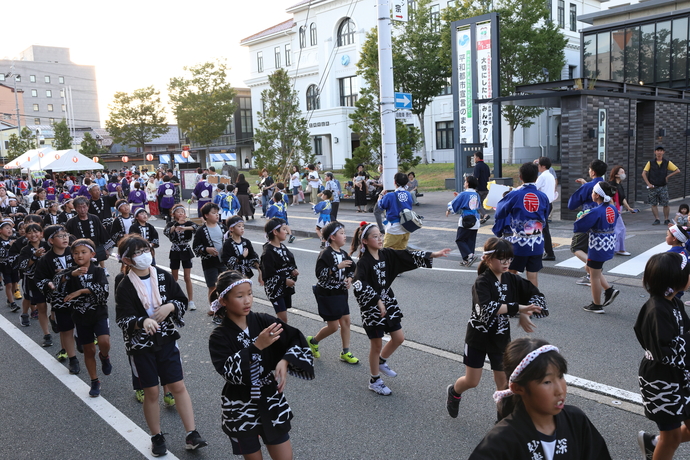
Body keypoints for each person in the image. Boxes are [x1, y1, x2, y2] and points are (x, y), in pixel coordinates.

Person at [115, 235, 207, 456]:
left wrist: (170, 307)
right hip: (141, 347)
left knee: (178, 386)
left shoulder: (163, 276)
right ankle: (156, 436)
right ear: (126, 260)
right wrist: (141, 321)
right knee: (152, 391)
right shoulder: (124, 284)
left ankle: (192, 433)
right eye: (136, 253)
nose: (143, 255)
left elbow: (180, 300)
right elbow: (122, 318)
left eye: (145, 249)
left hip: (166, 340)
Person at [208, 270, 314, 460]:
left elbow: (295, 338)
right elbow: (229, 371)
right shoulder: (219, 336)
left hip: (270, 397)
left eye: (250, 294)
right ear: (223, 300)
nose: (247, 300)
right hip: (240, 405)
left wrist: (285, 360)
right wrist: (257, 347)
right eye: (240, 296)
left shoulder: (263, 320)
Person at [446, 237, 546, 418]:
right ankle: (454, 392)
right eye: (502, 259)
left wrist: (526, 312)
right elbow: (488, 307)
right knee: (472, 381)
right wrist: (520, 308)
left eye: (509, 259)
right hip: (478, 338)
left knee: (504, 385)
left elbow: (534, 293)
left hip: (500, 339)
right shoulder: (482, 282)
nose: (507, 263)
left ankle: (502, 423)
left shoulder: (511, 279)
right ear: (488, 259)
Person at [468, 338, 611, 459]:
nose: (560, 390)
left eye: (561, 376)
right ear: (518, 388)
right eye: (547, 382)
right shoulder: (501, 441)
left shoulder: (576, 421)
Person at [351, 222, 450, 395]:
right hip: (371, 308)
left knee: (399, 338)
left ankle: (381, 361)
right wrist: (376, 300)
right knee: (376, 345)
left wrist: (433, 254)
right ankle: (374, 380)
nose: (380, 239)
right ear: (365, 241)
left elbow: (406, 256)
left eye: (380, 235)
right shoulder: (363, 263)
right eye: (375, 236)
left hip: (388, 302)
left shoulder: (387, 254)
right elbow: (359, 284)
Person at [635, 252, 690, 460]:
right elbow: (666, 351)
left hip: (680, 375)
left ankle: (653, 444)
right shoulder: (656, 310)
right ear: (677, 281)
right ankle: (658, 446)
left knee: (673, 436)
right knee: (671, 437)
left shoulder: (673, 302)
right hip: (661, 380)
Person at [53, 239, 110, 397]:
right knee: (88, 350)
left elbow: (104, 291)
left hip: (98, 313)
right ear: (72, 255)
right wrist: (70, 275)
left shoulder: (98, 271)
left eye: (83, 252)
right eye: (76, 253)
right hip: (80, 315)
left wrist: (80, 291)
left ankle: (104, 356)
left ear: (92, 254)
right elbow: (57, 284)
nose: (79, 255)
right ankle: (94, 381)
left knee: (104, 341)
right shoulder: (70, 271)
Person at [306, 221, 359, 365]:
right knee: (334, 326)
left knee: (346, 321)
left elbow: (351, 269)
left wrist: (349, 278)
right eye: (341, 233)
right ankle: (313, 341)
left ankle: (345, 352)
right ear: (332, 237)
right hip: (327, 294)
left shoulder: (343, 253)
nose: (345, 236)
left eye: (344, 233)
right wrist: (337, 267)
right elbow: (320, 274)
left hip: (341, 293)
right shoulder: (326, 253)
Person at [494, 163, 549, 287]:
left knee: (511, 272)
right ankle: (533, 300)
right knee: (533, 275)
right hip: (538, 241)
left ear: (520, 177)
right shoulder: (543, 196)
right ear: (536, 178)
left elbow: (499, 213)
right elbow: (545, 216)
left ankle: (513, 298)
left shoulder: (514, 194)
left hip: (519, 242)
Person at [35, 225, 79, 374]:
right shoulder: (45, 259)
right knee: (66, 329)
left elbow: (87, 265)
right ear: (51, 240)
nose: (65, 238)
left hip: (80, 296)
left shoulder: (75, 252)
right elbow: (39, 279)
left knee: (82, 324)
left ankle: (80, 341)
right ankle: (73, 359)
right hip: (60, 299)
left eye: (66, 234)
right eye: (60, 236)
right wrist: (49, 283)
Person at [573, 181, 620, 313]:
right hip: (608, 243)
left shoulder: (596, 211)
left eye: (593, 192)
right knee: (590, 267)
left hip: (597, 246)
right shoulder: (612, 208)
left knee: (593, 274)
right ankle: (609, 290)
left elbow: (579, 227)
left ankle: (597, 304)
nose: (591, 194)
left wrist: (581, 218)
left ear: (597, 195)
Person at [567, 159, 607, 287]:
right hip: (605, 221)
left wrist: (584, 186)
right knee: (592, 248)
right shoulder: (606, 185)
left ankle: (593, 269)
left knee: (576, 247)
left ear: (593, 172)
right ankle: (591, 274)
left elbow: (571, 204)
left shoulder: (588, 187)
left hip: (588, 220)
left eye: (589, 170)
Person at [16, 223, 52, 344]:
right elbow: (22, 266)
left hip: (49, 280)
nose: (33, 235)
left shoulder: (48, 245)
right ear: (26, 235)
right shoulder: (25, 249)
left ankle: (54, 320)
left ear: (41, 233)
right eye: (30, 233)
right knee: (33, 301)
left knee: (55, 306)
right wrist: (34, 257)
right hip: (32, 280)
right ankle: (26, 315)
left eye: (36, 232)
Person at [260, 218, 298, 324]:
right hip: (275, 289)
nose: (286, 232)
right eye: (284, 229)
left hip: (285, 287)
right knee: (282, 318)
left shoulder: (283, 247)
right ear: (275, 232)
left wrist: (293, 271)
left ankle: (280, 337)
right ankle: (279, 338)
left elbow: (290, 263)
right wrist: (284, 281)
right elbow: (268, 275)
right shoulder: (268, 252)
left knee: (283, 316)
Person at [164, 204, 199, 311]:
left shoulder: (189, 223)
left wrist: (184, 227)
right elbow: (166, 232)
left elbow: (196, 227)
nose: (181, 213)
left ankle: (191, 301)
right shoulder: (170, 224)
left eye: (182, 212)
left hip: (186, 250)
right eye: (178, 212)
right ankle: (173, 298)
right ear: (173, 214)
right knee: (174, 278)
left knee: (187, 277)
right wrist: (176, 225)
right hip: (175, 250)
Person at [193, 202, 228, 298]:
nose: (217, 215)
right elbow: (195, 247)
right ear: (206, 215)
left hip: (224, 262)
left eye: (217, 212)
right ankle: (213, 308)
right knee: (212, 287)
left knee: (225, 286)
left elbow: (229, 242)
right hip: (209, 262)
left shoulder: (223, 227)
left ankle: (224, 308)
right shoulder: (201, 230)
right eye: (213, 213)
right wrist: (206, 249)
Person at [642, 146, 682, 225]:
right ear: (655, 152)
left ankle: (666, 219)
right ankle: (657, 219)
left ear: (663, 152)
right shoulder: (650, 162)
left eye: (661, 151)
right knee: (653, 204)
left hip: (663, 186)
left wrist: (668, 176)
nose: (659, 152)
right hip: (653, 187)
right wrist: (648, 184)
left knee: (666, 203)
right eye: (658, 151)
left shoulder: (667, 162)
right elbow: (643, 173)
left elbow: (677, 170)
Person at [447, 175, 481, 267]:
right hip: (475, 219)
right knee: (470, 240)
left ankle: (470, 256)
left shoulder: (464, 194)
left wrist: (449, 210)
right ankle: (467, 260)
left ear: (468, 184)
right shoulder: (476, 194)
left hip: (466, 219)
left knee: (460, 239)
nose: (464, 183)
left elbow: (454, 204)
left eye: (465, 181)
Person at [377, 172, 414, 250]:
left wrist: (380, 196)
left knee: (386, 252)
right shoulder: (408, 194)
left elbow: (381, 206)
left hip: (394, 229)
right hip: (406, 227)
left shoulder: (390, 195)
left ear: (394, 182)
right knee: (401, 253)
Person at [609, 165, 638, 257]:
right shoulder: (612, 185)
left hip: (618, 209)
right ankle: (620, 249)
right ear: (616, 175)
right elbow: (610, 198)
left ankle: (614, 248)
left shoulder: (619, 185)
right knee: (621, 229)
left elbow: (622, 198)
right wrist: (614, 209)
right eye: (621, 172)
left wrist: (628, 208)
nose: (623, 173)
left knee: (616, 229)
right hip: (614, 209)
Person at [536, 157, 557, 261]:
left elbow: (534, 188)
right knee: (543, 228)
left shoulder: (542, 176)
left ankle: (549, 252)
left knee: (543, 229)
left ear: (543, 166)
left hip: (542, 205)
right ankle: (547, 251)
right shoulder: (551, 176)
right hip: (549, 203)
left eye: (539, 164)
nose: (538, 166)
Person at [0, 219, 20, 312]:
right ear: (1, 230)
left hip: (14, 265)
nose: (9, 230)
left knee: (13, 283)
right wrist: (8, 246)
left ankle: (10, 298)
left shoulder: (13, 239)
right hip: (4, 266)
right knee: (8, 284)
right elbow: (1, 254)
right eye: (7, 228)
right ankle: (12, 303)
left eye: (11, 228)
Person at [473, 151, 491, 224]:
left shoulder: (477, 166)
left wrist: (473, 187)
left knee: (477, 203)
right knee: (481, 204)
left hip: (479, 188)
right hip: (485, 188)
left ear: (477, 158)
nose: (473, 159)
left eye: (474, 157)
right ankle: (481, 219)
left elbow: (476, 178)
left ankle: (485, 215)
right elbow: (488, 177)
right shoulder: (486, 166)